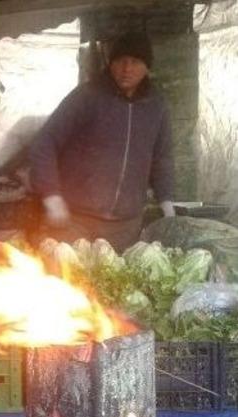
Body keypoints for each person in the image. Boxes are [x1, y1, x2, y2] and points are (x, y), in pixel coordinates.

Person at [30, 31, 175, 252]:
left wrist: (166, 201)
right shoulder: (87, 96)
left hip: (126, 227)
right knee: (72, 282)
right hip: (75, 221)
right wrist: (51, 195)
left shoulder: (156, 106)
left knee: (115, 284)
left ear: (147, 67)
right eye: (120, 61)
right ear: (110, 63)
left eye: (135, 62)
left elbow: (162, 157)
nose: (127, 68)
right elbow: (45, 142)